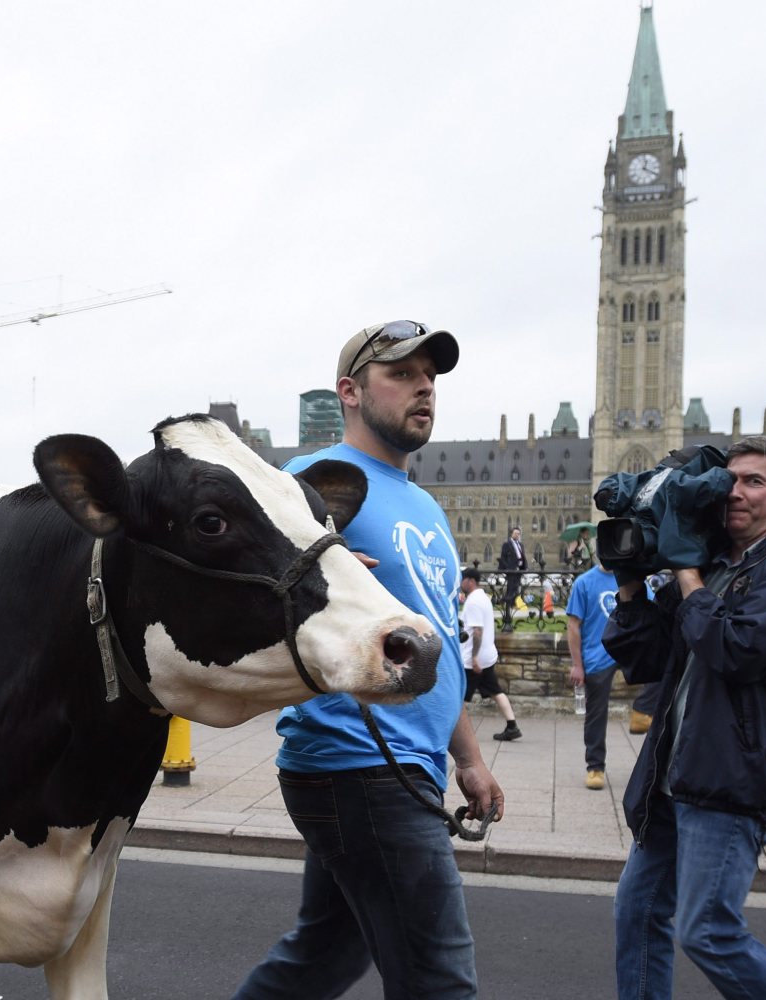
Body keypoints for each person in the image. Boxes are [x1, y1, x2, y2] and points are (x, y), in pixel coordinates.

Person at [232, 321, 501, 1000]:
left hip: (405, 760)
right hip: (357, 761)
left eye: (430, 378)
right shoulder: (311, 485)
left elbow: (433, 636)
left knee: (322, 957)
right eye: (402, 374)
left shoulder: (426, 506)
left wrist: (466, 756)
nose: (424, 390)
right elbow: (243, 595)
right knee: (441, 981)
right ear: (350, 391)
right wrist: (313, 574)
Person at [606, 436, 766, 1000]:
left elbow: (734, 649)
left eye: (754, 482)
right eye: (729, 480)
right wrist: (631, 584)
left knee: (708, 931)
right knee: (636, 915)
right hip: (673, 775)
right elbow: (648, 660)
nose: (734, 493)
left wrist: (686, 575)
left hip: (732, 778)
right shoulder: (713, 564)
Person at [565, 556, 625, 790]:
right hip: (597, 658)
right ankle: (595, 767)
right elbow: (573, 626)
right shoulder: (584, 582)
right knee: (596, 715)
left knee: (662, 687)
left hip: (629, 653)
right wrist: (577, 665)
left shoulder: (631, 578)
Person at [457, 569, 521, 741]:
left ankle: (455, 733)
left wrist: (474, 657)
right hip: (486, 656)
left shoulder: (474, 602)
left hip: (474, 660)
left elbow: (477, 631)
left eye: (462, 579)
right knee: (495, 691)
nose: (459, 583)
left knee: (458, 697)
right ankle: (512, 726)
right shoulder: (483, 597)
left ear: (470, 581)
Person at [497, 526, 528, 632]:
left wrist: (524, 566)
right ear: (511, 534)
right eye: (516, 533)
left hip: (519, 569)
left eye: (519, 534)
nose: (517, 535)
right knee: (511, 588)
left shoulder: (520, 544)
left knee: (516, 588)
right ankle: (507, 604)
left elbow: (522, 556)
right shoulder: (507, 544)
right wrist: (507, 568)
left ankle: (510, 602)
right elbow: (503, 557)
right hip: (511, 570)